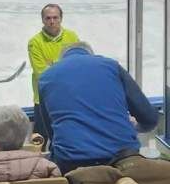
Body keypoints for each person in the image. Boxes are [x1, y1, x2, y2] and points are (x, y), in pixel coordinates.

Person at [38, 42, 159, 175]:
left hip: (72, 162)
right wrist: (136, 128)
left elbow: (51, 132)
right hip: (123, 158)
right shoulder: (111, 66)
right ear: (91, 54)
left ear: (62, 58)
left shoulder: (46, 77)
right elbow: (149, 118)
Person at [27, 2, 79, 144]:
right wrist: (63, 65)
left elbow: (77, 66)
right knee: (41, 141)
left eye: (55, 18)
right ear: (42, 20)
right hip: (43, 99)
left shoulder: (72, 37)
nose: (52, 22)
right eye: (48, 18)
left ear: (61, 18)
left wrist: (53, 65)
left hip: (68, 96)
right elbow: (42, 73)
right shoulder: (35, 42)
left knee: (68, 137)